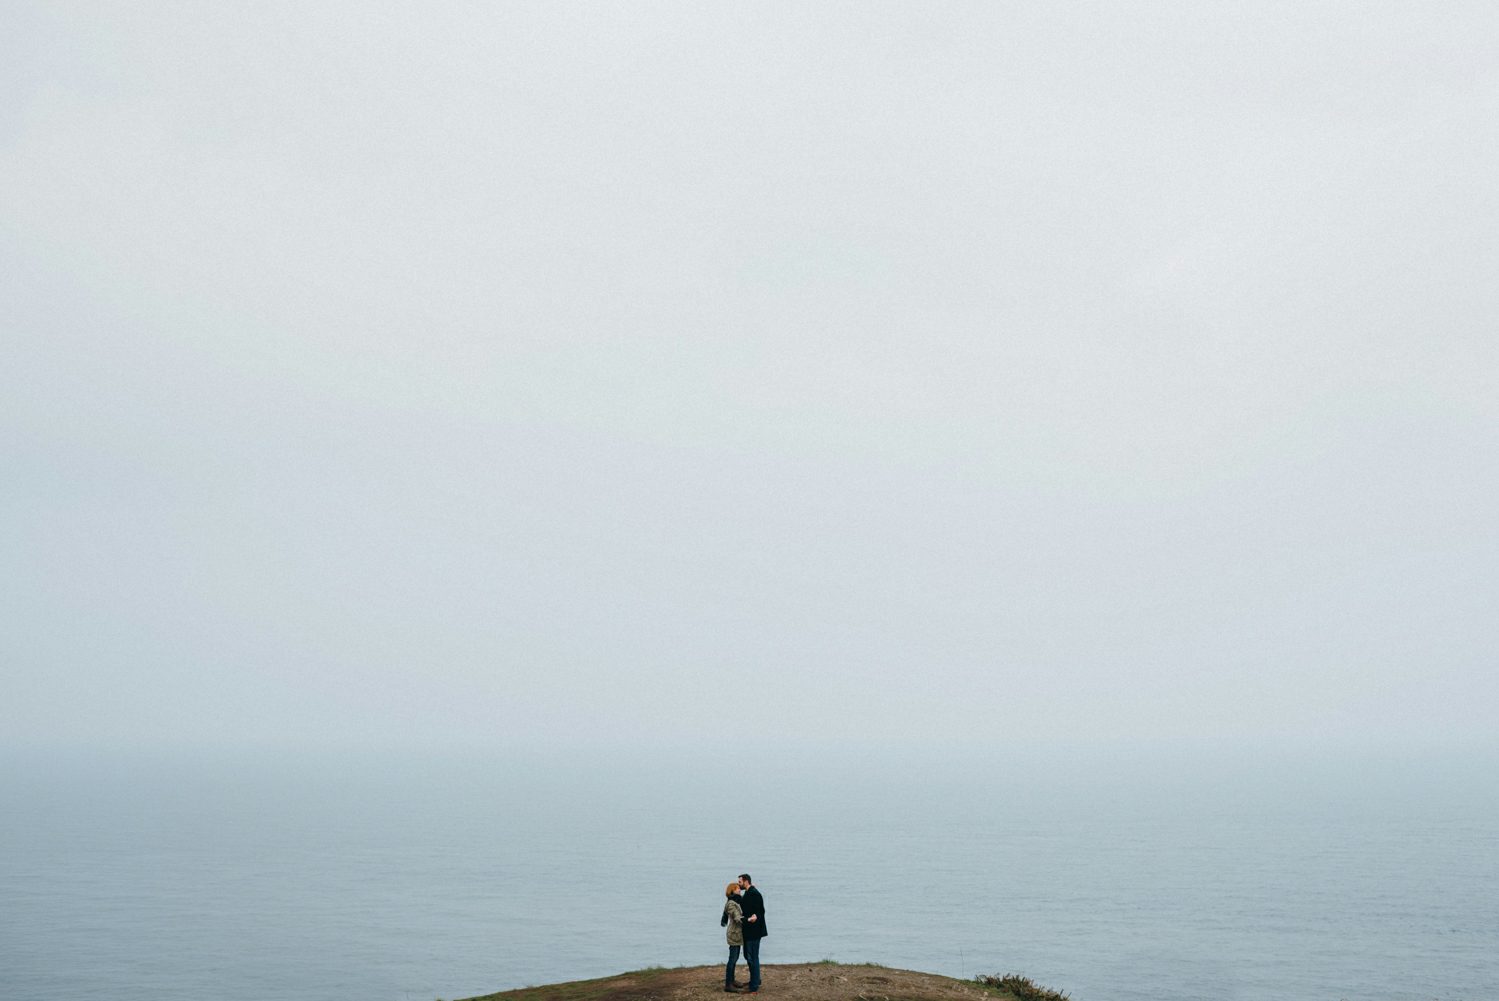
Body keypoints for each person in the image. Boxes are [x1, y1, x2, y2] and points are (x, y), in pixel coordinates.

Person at [736, 874, 766, 994]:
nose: (739, 884)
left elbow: (760, 910)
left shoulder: (754, 893)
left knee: (752, 957)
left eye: (740, 882)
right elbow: (741, 902)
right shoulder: (748, 893)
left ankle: (754, 986)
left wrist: (756, 916)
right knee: (749, 957)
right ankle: (755, 980)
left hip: (754, 930)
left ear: (746, 882)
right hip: (748, 930)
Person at [721, 882, 745, 992]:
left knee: (734, 958)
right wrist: (747, 919)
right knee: (732, 959)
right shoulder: (731, 903)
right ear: (732, 891)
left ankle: (732, 980)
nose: (740, 890)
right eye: (737, 888)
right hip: (734, 934)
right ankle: (728, 983)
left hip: (736, 933)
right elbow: (737, 917)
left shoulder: (734, 901)